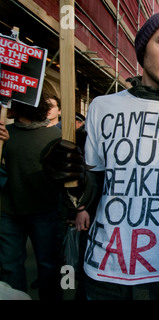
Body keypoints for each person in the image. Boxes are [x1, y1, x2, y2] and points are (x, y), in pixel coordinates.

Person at [43, 11, 159, 300]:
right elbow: (94, 186)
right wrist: (69, 176)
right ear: (142, 48)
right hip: (104, 268)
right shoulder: (102, 107)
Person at [0, 94, 63, 300]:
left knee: (49, 265)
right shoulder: (4, 134)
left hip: (45, 210)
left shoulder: (56, 137)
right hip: (8, 210)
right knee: (9, 264)